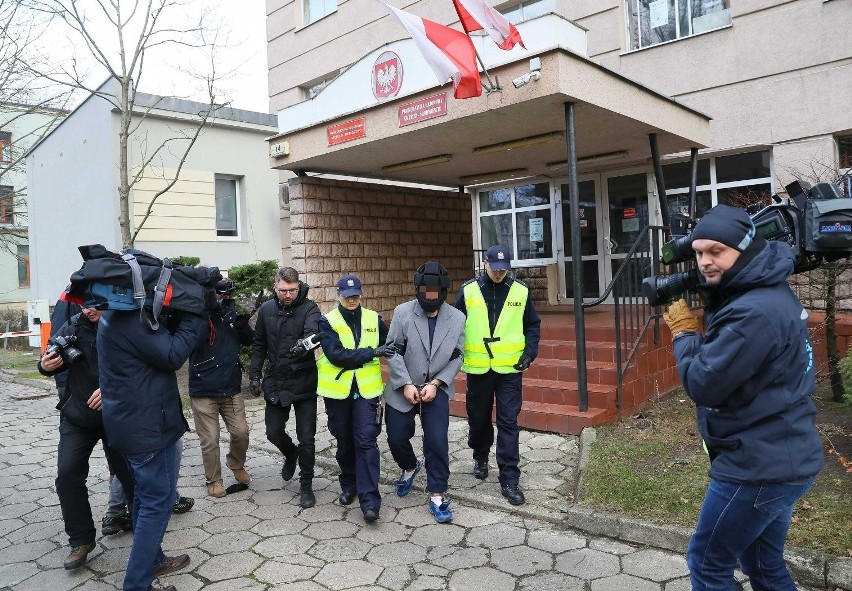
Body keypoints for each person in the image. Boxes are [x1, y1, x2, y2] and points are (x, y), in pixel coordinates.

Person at [661, 204, 824, 591]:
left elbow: (702, 384)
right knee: (764, 565)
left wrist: (685, 334)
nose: (704, 261)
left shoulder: (753, 312)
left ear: (745, 248)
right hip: (785, 454)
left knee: (707, 564)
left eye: (715, 251)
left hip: (757, 467)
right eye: (699, 252)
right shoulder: (765, 290)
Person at [98, 308, 207, 591]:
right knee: (155, 503)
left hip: (144, 423)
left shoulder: (118, 315)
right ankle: (137, 585)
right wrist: (194, 316)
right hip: (147, 429)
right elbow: (173, 354)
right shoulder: (131, 318)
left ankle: (155, 558)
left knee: (152, 497)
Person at [37, 305, 134, 570]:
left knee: (132, 477)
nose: (88, 309)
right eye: (83, 304)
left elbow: (143, 368)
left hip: (117, 417)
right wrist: (45, 365)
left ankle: (146, 535)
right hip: (77, 415)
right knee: (67, 474)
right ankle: (81, 540)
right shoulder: (73, 325)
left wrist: (112, 389)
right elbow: (50, 354)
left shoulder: (126, 323)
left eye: (93, 303)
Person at [455, 244, 540, 506]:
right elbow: (455, 324)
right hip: (479, 369)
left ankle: (509, 479)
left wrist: (529, 352)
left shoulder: (520, 291)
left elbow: (532, 325)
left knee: (508, 422)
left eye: (504, 269)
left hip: (509, 370)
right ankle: (480, 456)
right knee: (478, 420)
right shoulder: (468, 291)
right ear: (485, 264)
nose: (499, 273)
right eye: (495, 268)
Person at [385, 261, 465, 524]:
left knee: (437, 442)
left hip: (436, 389)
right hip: (404, 385)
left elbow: (457, 355)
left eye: (435, 291)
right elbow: (393, 349)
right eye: (424, 290)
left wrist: (438, 383)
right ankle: (409, 466)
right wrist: (406, 383)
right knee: (397, 436)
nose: (429, 296)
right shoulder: (402, 313)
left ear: (443, 291)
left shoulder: (457, 318)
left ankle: (437, 495)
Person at [317, 274, 394, 522]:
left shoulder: (374, 319)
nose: (352, 300)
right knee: (345, 441)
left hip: (367, 391)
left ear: (361, 294)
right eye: (347, 296)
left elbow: (390, 345)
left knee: (366, 442)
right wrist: (372, 352)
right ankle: (349, 485)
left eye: (356, 295)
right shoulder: (327, 322)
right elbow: (337, 355)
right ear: (338, 295)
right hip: (338, 391)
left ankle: (370, 499)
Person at [250, 267, 321, 509]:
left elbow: (314, 333)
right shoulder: (267, 310)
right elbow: (258, 344)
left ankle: (306, 486)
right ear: (275, 288)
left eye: (292, 290)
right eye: (283, 290)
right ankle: (290, 454)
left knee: (307, 438)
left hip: (303, 381)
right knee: (273, 432)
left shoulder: (310, 308)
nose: (288, 295)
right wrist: (254, 376)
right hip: (276, 381)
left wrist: (305, 344)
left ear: (299, 287)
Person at [189, 279, 254, 497]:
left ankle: (236, 463)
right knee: (210, 440)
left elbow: (249, 341)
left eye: (227, 295)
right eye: (219, 295)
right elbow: (190, 342)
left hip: (230, 387)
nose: (224, 299)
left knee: (241, 432)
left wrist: (243, 325)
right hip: (203, 389)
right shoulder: (197, 315)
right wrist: (207, 314)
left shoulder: (232, 313)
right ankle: (214, 480)